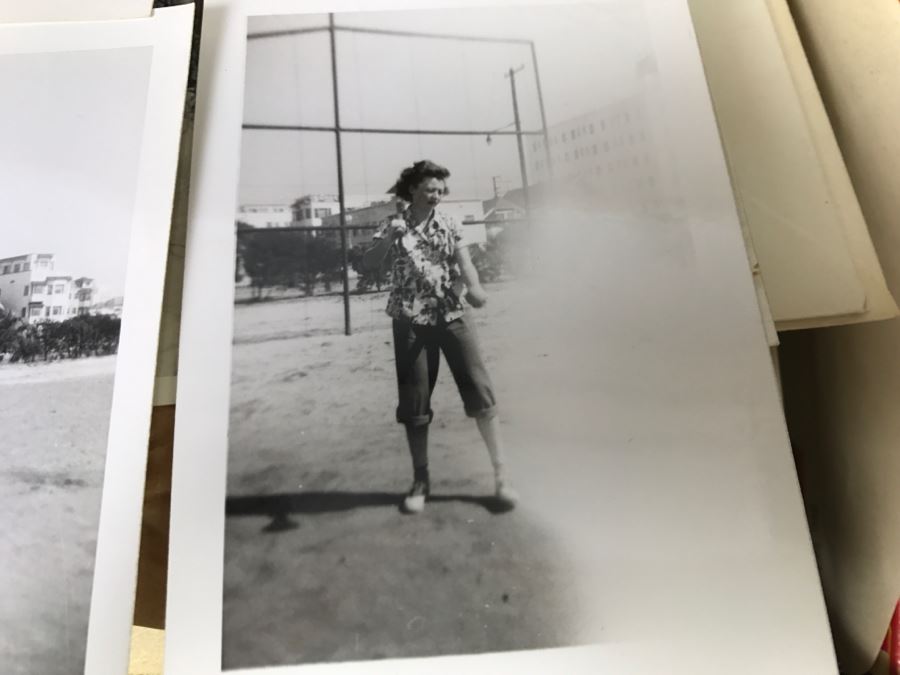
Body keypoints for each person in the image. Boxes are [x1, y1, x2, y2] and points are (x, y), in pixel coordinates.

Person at [362, 160, 518, 514]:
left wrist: (475, 287)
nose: (436, 196)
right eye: (429, 189)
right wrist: (390, 236)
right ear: (412, 190)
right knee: (415, 402)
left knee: (480, 390)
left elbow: (465, 264)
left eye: (439, 190)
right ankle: (421, 480)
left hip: (451, 313)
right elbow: (370, 263)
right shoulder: (391, 224)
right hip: (409, 318)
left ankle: (502, 475)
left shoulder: (448, 222)